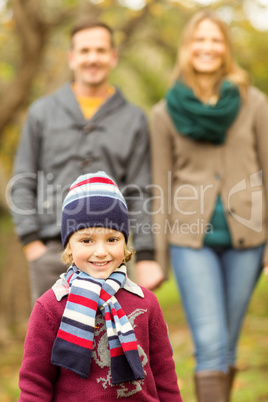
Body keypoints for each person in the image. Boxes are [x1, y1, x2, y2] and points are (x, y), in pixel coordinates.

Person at [150, 10, 268, 402]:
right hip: (189, 239)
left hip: (247, 238)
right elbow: (159, 186)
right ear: (187, 47)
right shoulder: (164, 112)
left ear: (226, 49)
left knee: (228, 345)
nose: (207, 47)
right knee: (212, 343)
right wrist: (158, 258)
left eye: (215, 40)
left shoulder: (254, 103)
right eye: (199, 39)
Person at [9, 20, 163, 304]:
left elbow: (140, 191)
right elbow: (22, 179)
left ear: (113, 57)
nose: (93, 58)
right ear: (72, 57)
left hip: (110, 257)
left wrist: (148, 254)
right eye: (85, 50)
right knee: (50, 345)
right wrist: (32, 242)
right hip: (50, 251)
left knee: (111, 344)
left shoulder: (134, 119)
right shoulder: (42, 112)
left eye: (101, 50)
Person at [18, 171, 182, 401]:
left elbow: (165, 377)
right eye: (87, 240)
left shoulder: (145, 303)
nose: (101, 251)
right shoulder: (51, 307)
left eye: (112, 239)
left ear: (125, 242)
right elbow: (35, 384)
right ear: (69, 247)